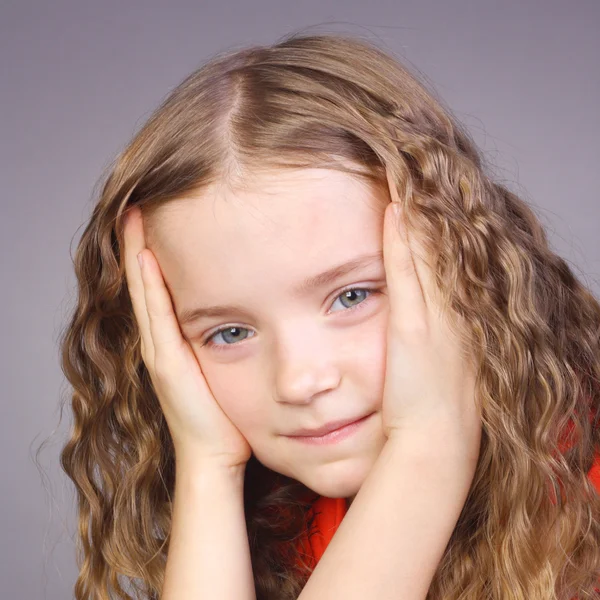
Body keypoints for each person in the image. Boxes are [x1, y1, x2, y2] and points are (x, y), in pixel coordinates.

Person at [58, 32, 600, 600]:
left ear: (465, 268)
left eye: (351, 296)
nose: (300, 381)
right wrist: (208, 467)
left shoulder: (578, 501)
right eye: (230, 332)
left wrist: (432, 442)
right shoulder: (297, 519)